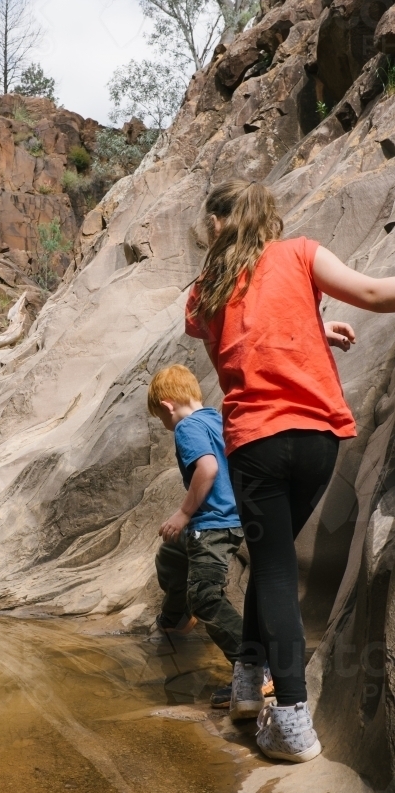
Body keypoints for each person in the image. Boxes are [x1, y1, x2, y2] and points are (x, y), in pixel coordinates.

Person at [184, 178, 389, 763]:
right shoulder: (300, 253)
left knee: (272, 568)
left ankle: (292, 718)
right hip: (320, 437)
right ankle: (248, 685)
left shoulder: (204, 291)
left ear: (218, 223)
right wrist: (317, 327)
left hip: (258, 443)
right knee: (271, 557)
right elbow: (373, 293)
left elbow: (233, 358)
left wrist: (308, 327)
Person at [148, 364, 273, 707]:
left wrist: (184, 512)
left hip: (212, 523)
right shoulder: (217, 420)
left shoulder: (186, 427)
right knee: (171, 556)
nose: (165, 423)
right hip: (233, 516)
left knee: (204, 595)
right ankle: (176, 618)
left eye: (161, 417)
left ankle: (256, 670)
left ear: (167, 405)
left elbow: (208, 468)